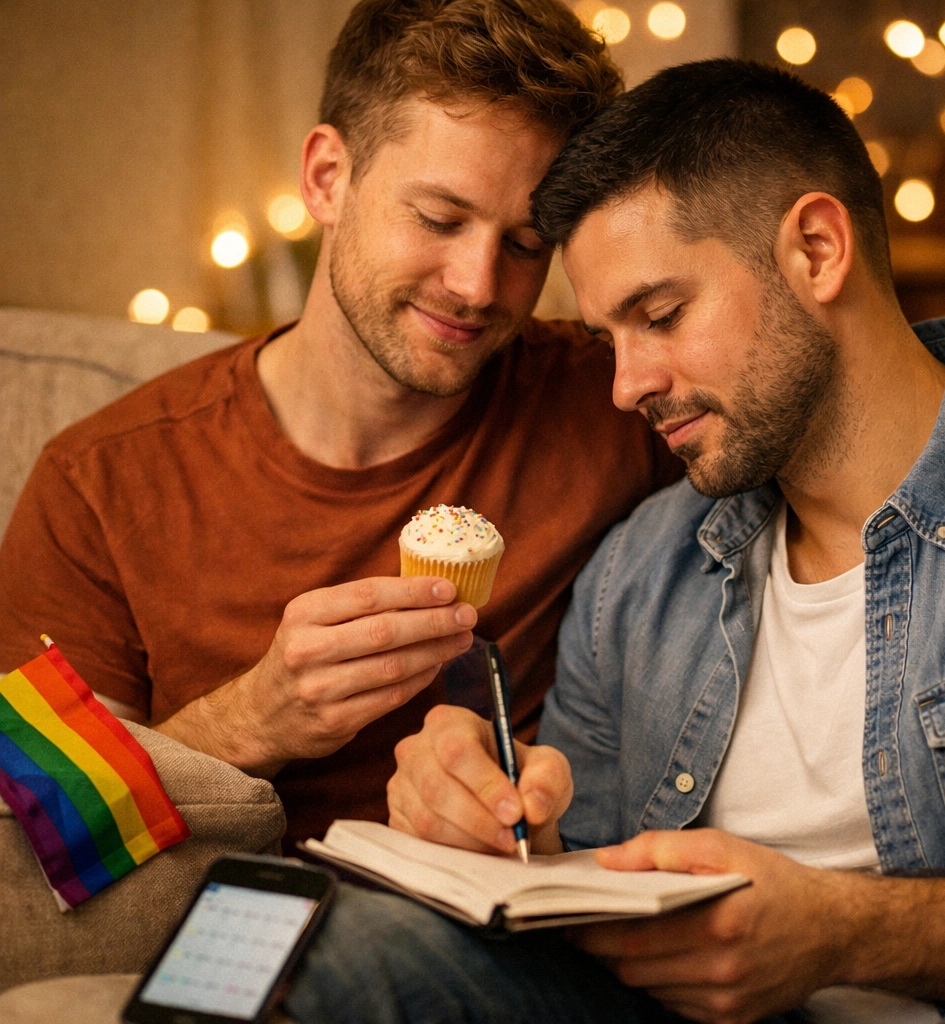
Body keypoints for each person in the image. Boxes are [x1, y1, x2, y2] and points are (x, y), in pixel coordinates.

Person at [282, 60, 945, 1024]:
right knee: (334, 941)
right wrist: (514, 839)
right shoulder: (640, 569)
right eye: (609, 334)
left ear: (815, 249)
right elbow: (579, 892)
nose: (626, 385)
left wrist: (843, 933)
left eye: (661, 316)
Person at [0, 0, 680, 851]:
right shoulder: (98, 483)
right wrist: (254, 720)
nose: (476, 284)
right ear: (326, 177)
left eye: (525, 242)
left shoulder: (617, 398)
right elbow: (36, 851)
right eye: (437, 219)